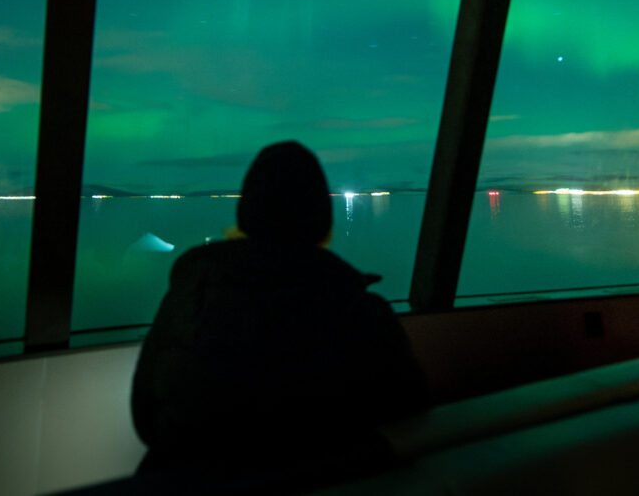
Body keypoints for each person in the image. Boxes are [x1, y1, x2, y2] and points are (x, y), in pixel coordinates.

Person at [131, 141, 430, 491]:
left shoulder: (190, 301)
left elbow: (147, 420)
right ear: (321, 221)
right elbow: (412, 415)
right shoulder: (363, 314)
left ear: (247, 214)